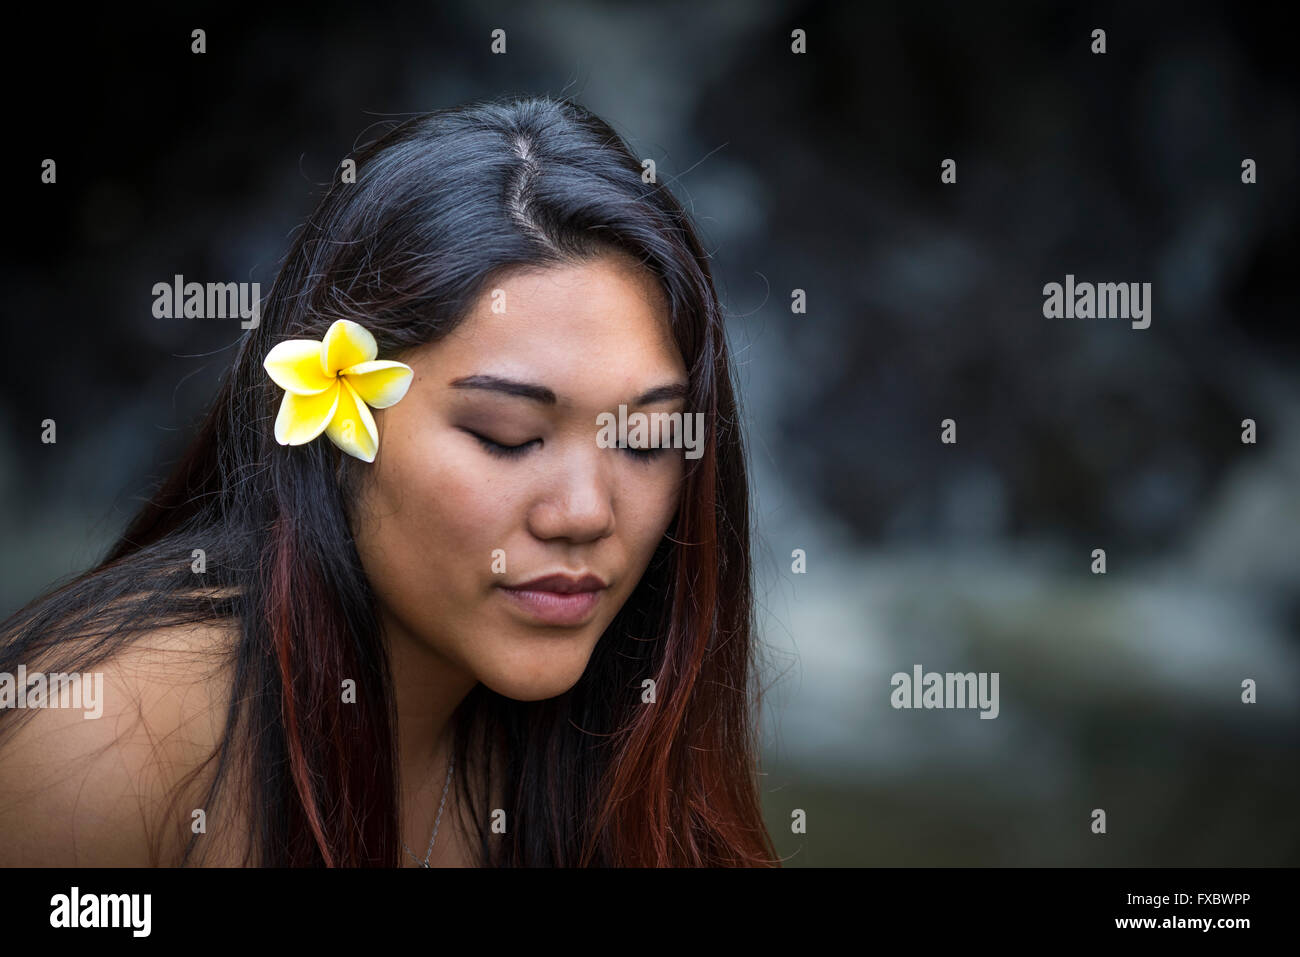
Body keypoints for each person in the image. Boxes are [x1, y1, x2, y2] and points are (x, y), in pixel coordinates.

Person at [0, 95, 777, 867]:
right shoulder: (100, 739)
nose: (583, 512)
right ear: (333, 421)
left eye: (644, 439)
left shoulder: (603, 735)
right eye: (506, 436)